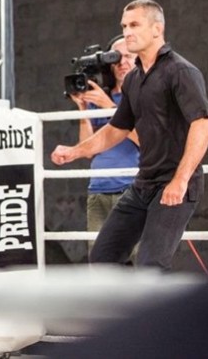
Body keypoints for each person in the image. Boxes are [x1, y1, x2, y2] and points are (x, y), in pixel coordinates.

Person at [51, 0, 208, 270]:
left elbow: (203, 124)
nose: (127, 32)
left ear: (157, 29)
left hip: (175, 182)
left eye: (135, 25)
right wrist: (75, 151)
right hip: (143, 183)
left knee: (150, 266)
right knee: (102, 257)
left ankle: (163, 300)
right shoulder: (134, 80)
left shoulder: (181, 71)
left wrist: (180, 180)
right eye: (124, 26)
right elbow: (117, 128)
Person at [67, 36, 139, 253]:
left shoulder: (143, 96)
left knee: (139, 258)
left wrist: (110, 107)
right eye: (115, 58)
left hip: (132, 187)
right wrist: (83, 109)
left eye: (128, 56)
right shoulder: (99, 98)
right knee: (100, 259)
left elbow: (145, 139)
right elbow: (88, 149)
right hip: (98, 187)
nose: (122, 62)